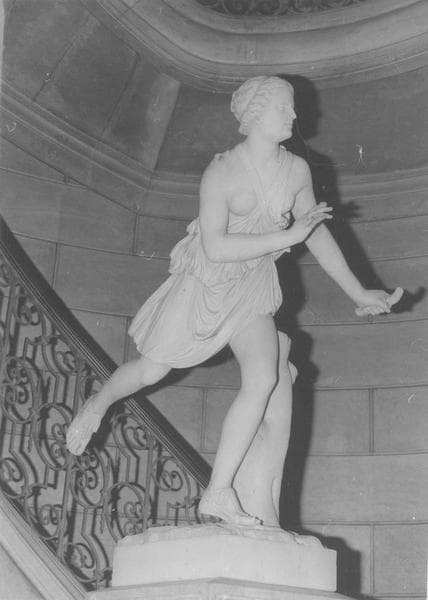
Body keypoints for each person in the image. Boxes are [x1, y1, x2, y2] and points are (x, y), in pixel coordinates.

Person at [66, 76, 403, 527]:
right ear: (256, 114)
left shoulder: (296, 170)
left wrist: (358, 291)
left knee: (264, 376)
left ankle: (218, 492)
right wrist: (288, 236)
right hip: (207, 282)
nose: (294, 116)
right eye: (284, 107)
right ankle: (99, 403)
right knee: (152, 370)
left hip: (252, 285)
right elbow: (217, 247)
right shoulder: (222, 172)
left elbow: (315, 232)